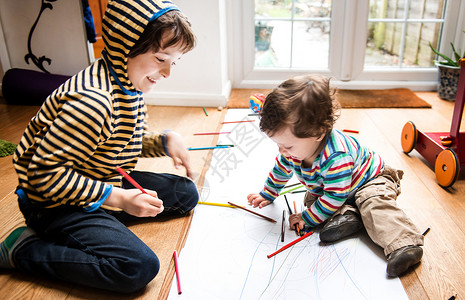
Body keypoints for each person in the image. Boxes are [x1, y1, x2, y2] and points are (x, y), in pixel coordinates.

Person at [0, 0, 198, 293]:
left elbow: (118, 139)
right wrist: (117, 198)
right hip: (53, 203)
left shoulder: (127, 82)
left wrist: (164, 141)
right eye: (160, 58)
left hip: (98, 178)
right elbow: (44, 175)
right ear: (125, 45)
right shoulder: (93, 101)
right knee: (137, 268)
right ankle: (23, 249)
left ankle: (102, 218)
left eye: (174, 61)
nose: (168, 72)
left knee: (185, 194)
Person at [247, 74, 424, 277]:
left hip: (372, 181)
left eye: (286, 146)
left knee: (372, 204)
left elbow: (333, 196)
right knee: (312, 198)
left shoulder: (336, 156)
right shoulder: (295, 150)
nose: (281, 151)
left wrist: (306, 218)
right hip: (340, 189)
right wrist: (268, 193)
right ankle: (350, 216)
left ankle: (405, 244)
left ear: (318, 133)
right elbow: (281, 169)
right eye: (277, 144)